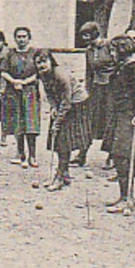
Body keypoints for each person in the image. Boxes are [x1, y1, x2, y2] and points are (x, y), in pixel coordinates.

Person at [104, 31, 135, 216]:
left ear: (122, 50)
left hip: (129, 116)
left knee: (124, 157)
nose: (112, 54)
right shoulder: (121, 67)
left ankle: (128, 198)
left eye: (114, 51)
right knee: (117, 155)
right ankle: (124, 196)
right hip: (118, 114)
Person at [36, 49, 89, 190]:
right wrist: (53, 107)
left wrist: (58, 122)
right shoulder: (42, 75)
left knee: (64, 140)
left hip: (76, 103)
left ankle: (59, 177)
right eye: (38, 63)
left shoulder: (60, 74)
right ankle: (64, 174)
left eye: (44, 61)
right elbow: (49, 93)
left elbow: (67, 101)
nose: (42, 65)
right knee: (58, 140)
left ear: (51, 62)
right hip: (62, 104)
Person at [75, 22, 116, 169]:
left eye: (87, 35)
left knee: (111, 121)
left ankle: (112, 156)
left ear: (94, 33)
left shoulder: (109, 46)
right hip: (96, 89)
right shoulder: (89, 51)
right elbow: (89, 72)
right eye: (83, 35)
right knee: (90, 121)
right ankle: (82, 154)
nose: (85, 38)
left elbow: (117, 65)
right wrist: (87, 90)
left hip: (111, 88)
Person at [1, 26, 42, 168]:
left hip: (30, 92)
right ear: (15, 38)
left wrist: (25, 82)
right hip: (13, 92)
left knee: (31, 124)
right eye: (19, 37)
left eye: (24, 36)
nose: (21, 39)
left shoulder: (35, 53)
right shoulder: (9, 53)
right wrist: (14, 81)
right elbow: (3, 71)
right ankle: (20, 153)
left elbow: (40, 71)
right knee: (17, 122)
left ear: (29, 38)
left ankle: (32, 155)